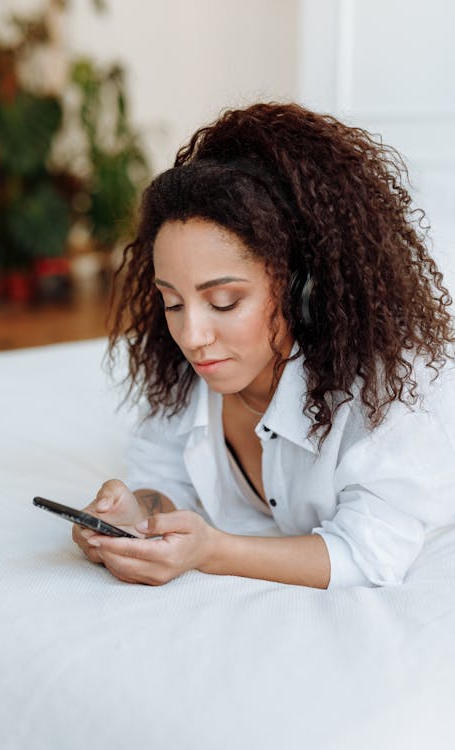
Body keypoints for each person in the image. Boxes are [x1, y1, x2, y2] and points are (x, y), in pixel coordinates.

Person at [72, 102, 455, 589]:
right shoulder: (185, 374)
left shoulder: (391, 394)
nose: (192, 337)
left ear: (304, 289)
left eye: (225, 301)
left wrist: (211, 550)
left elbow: (367, 554)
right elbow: (167, 481)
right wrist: (135, 514)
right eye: (171, 303)